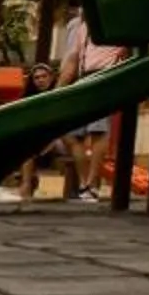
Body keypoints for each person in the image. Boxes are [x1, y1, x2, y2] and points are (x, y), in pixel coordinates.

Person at [54, 11, 131, 202]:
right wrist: (58, 89)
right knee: (72, 134)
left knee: (98, 130)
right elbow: (74, 58)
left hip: (105, 76)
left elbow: (126, 52)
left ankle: (92, 185)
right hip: (85, 77)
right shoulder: (83, 28)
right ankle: (85, 183)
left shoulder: (117, 27)